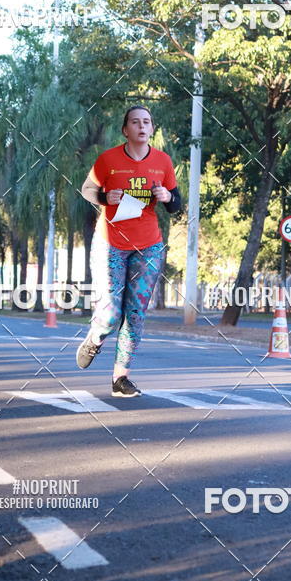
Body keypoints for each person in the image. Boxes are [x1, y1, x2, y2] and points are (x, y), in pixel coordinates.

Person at [77, 106, 181, 397]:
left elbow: (176, 205)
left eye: (146, 122)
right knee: (111, 314)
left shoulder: (163, 161)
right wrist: (103, 196)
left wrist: (168, 195)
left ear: (151, 128)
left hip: (148, 245)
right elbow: (87, 189)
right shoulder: (108, 160)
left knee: (135, 313)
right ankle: (95, 337)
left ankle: (120, 377)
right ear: (125, 130)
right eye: (135, 122)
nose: (141, 126)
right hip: (110, 243)